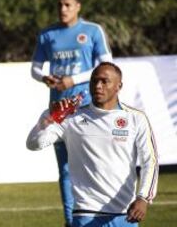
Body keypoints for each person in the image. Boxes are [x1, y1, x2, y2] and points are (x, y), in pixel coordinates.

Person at [27, 62, 159, 227]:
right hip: (85, 214)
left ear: (119, 86)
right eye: (94, 81)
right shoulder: (72, 118)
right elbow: (33, 144)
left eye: (105, 81)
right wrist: (48, 118)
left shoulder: (136, 118)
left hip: (124, 215)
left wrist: (143, 198)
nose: (98, 86)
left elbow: (150, 161)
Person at [31, 0, 112, 225]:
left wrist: (74, 80)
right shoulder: (48, 35)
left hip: (88, 109)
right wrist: (45, 77)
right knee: (65, 170)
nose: (63, 9)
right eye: (59, 5)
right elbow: (35, 68)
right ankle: (71, 221)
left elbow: (107, 64)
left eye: (67, 5)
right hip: (59, 112)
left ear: (78, 6)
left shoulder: (92, 31)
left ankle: (99, 215)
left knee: (93, 163)